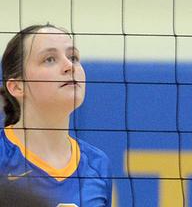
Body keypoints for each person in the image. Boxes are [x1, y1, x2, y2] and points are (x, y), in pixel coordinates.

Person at [0, 24, 113, 206]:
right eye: (50, 59)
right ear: (17, 86)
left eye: (73, 57)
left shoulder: (96, 164)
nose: (69, 66)